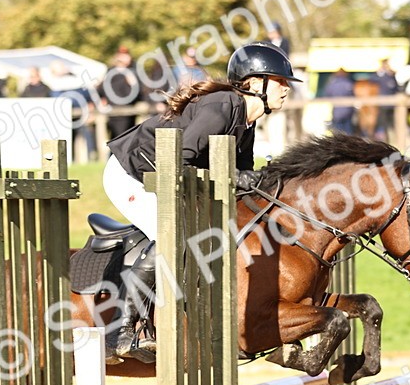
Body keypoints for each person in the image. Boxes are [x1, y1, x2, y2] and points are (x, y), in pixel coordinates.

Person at [104, 41, 301, 359]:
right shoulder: (221, 106)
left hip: (168, 177)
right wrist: (235, 177)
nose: (286, 88)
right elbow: (181, 159)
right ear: (254, 83)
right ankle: (120, 330)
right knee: (170, 237)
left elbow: (242, 177)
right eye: (279, 80)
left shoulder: (247, 122)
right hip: (132, 173)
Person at [100, 47, 142, 140]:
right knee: (117, 137)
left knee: (127, 138)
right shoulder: (111, 72)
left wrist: (131, 83)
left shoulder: (133, 71)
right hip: (114, 110)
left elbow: (139, 91)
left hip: (128, 110)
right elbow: (104, 89)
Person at [321, 68, 356, 135]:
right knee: (348, 133)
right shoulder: (349, 83)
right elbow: (353, 95)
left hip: (337, 112)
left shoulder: (332, 84)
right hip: (348, 111)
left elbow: (327, 94)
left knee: (337, 133)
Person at [373, 58, 399, 140]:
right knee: (383, 123)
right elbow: (372, 80)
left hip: (391, 104)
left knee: (391, 123)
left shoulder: (391, 76)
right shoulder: (380, 75)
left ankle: (391, 138)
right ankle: (385, 138)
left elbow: (395, 88)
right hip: (383, 104)